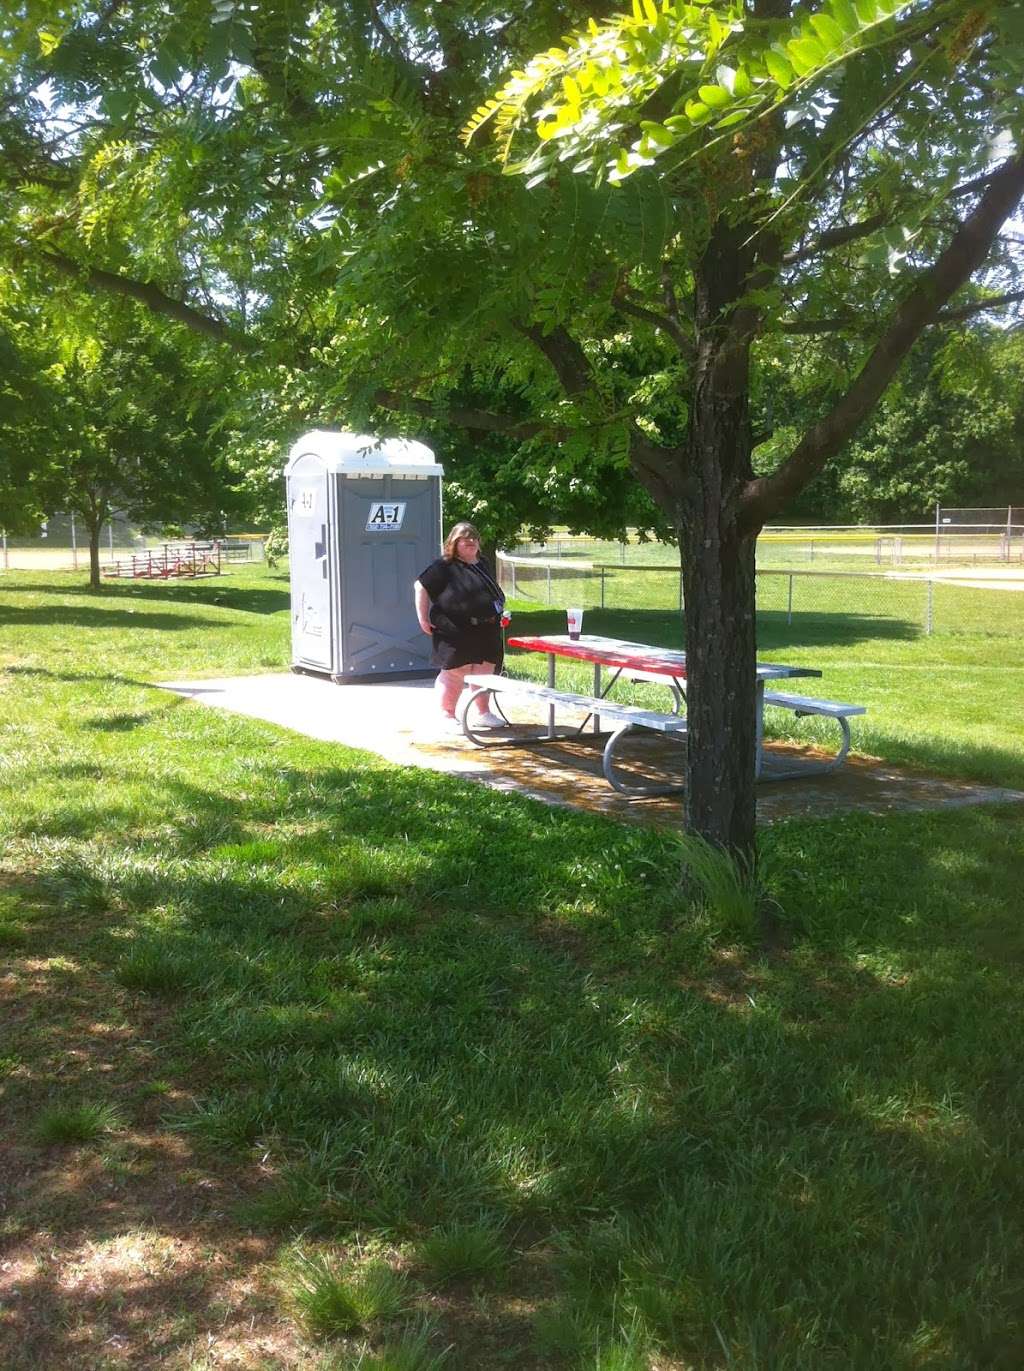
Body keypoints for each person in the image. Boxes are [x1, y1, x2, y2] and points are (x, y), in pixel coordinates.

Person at [414, 521, 508, 734]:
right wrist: (422, 618)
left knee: (484, 671)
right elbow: (420, 586)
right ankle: (446, 715)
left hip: (487, 629)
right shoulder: (444, 566)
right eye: (465, 539)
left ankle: (483, 713)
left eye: (474, 538)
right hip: (455, 630)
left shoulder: (481, 563)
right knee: (455, 673)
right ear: (454, 543)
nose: (471, 542)